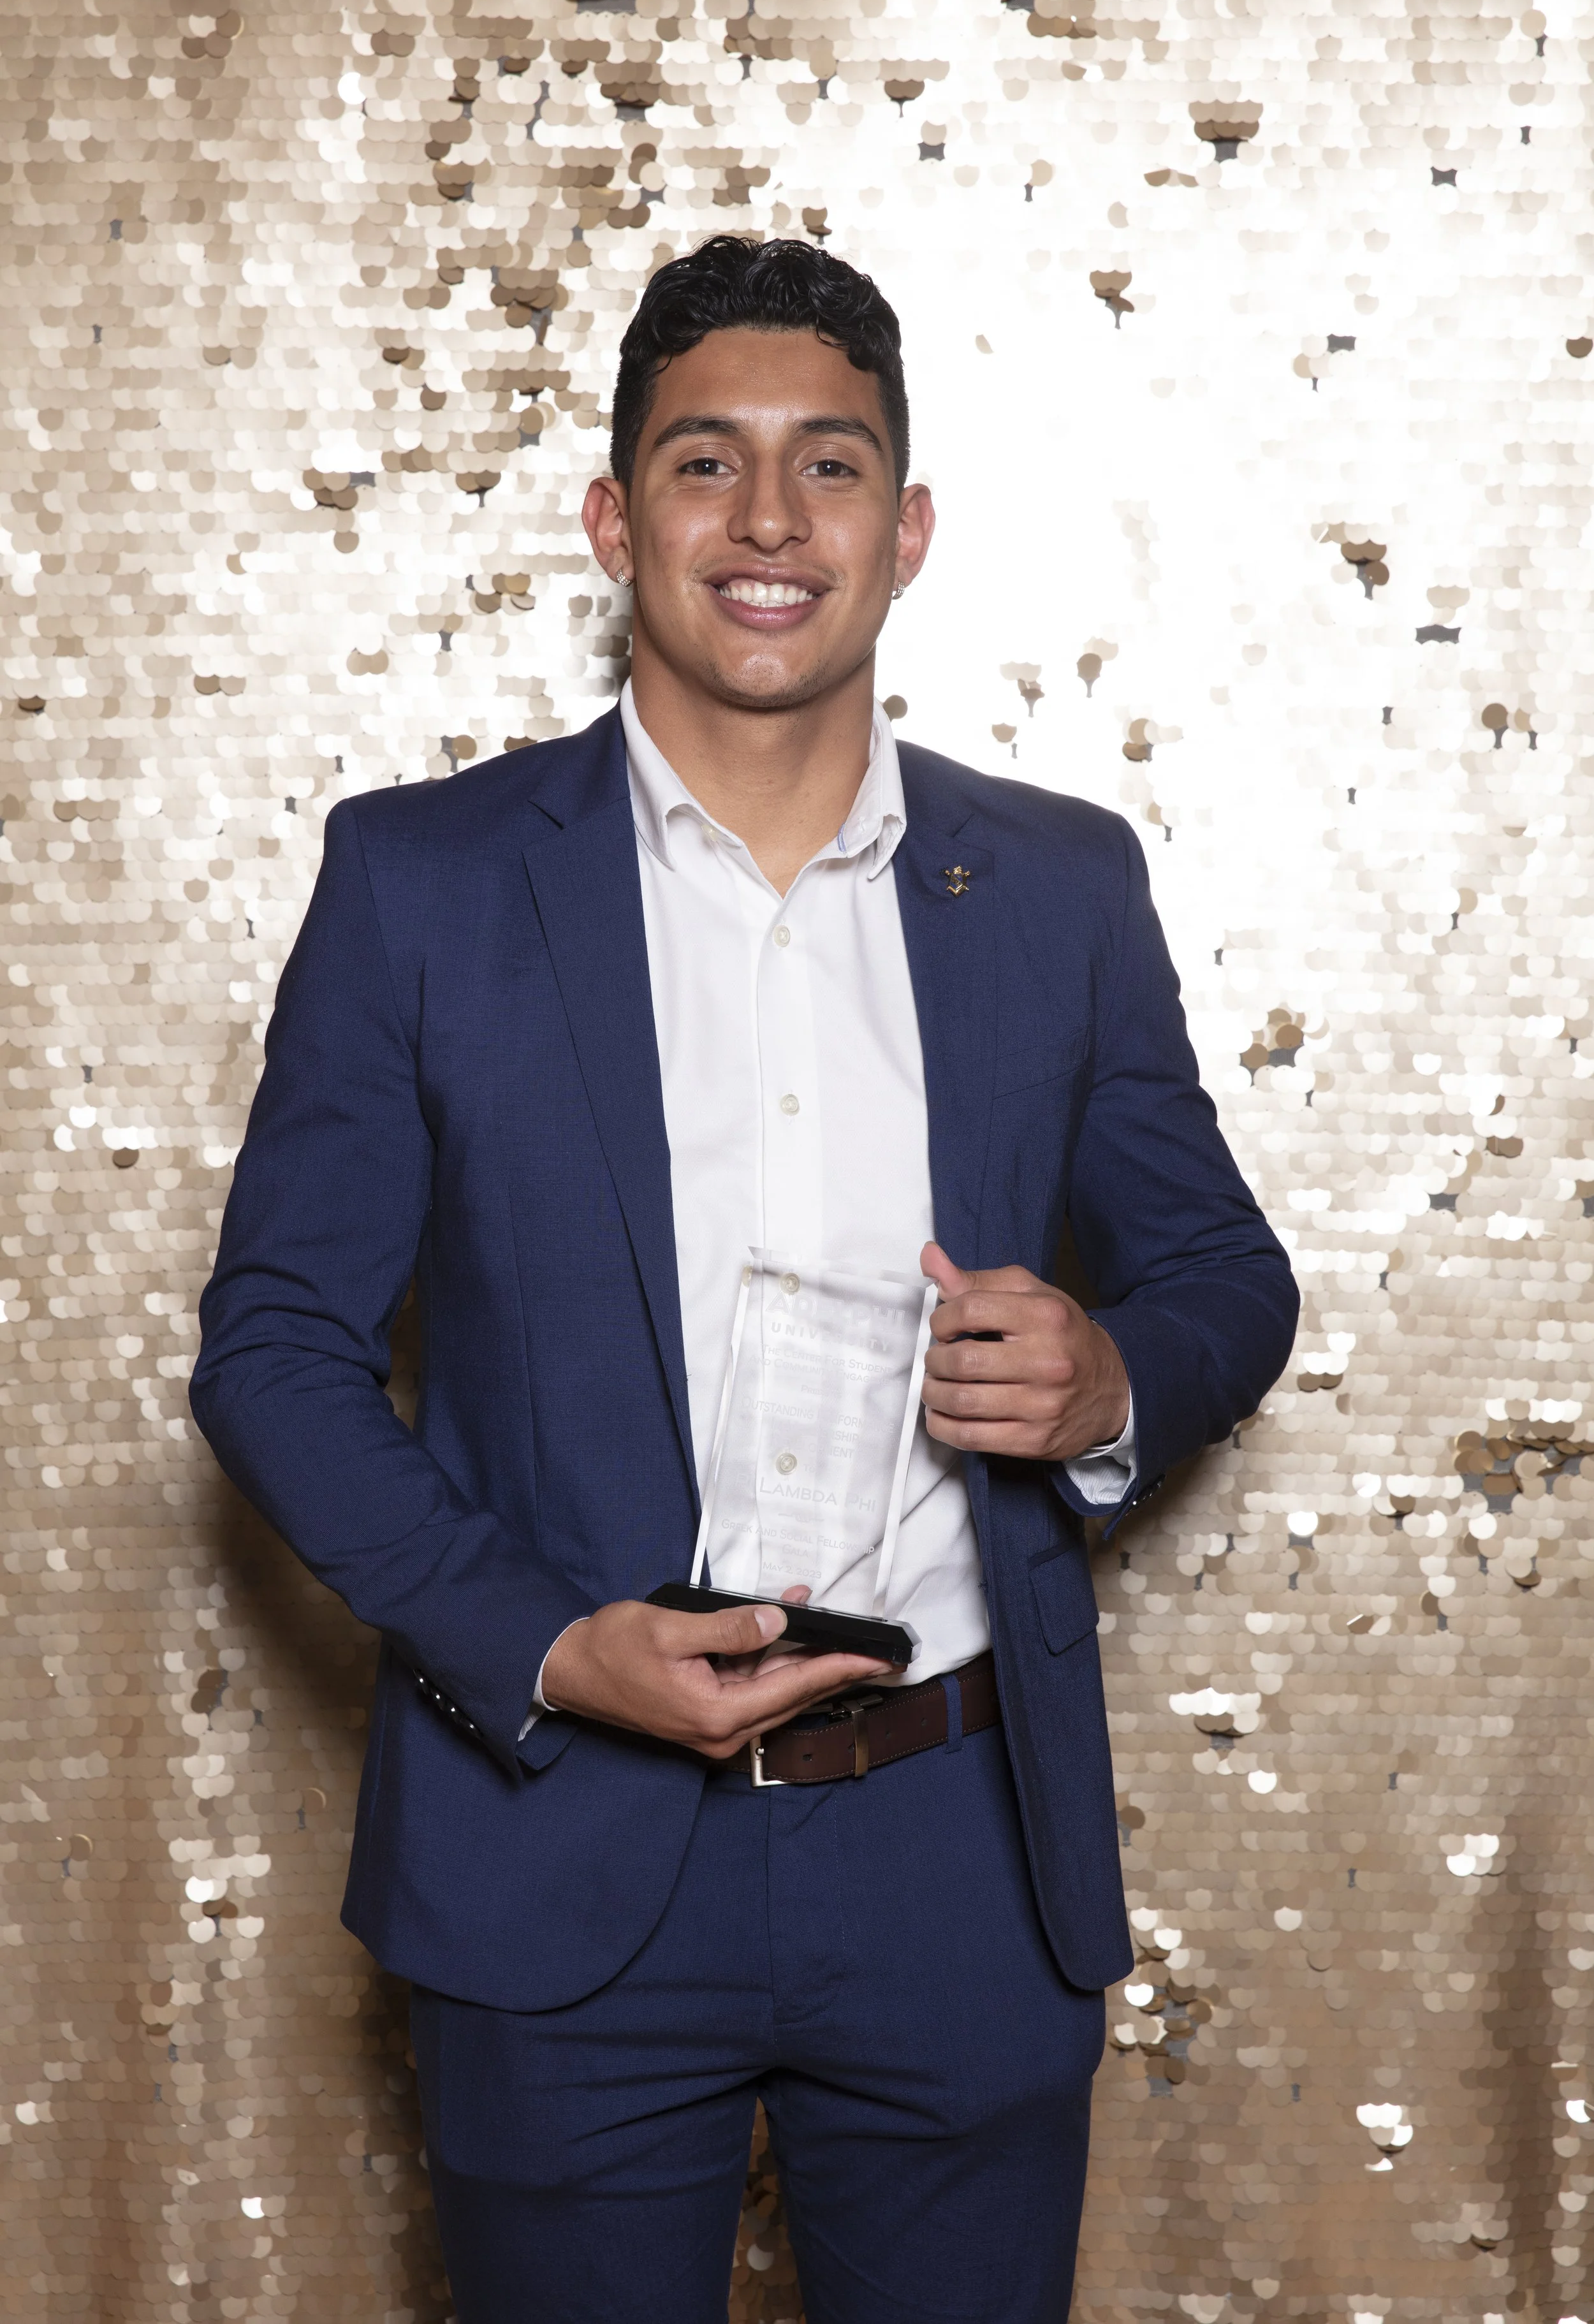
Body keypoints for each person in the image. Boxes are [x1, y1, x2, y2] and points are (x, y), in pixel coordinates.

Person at [191, 234, 1298, 2324]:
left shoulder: (1056, 886)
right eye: (706, 465)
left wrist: (1106, 1380)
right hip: (560, 1840)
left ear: (908, 529)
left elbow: (1219, 1272)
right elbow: (273, 1352)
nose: (770, 522)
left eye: (831, 467)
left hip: (954, 1850)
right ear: (618, 520)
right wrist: (540, 1646)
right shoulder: (421, 884)